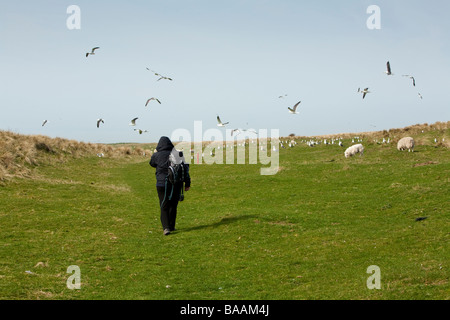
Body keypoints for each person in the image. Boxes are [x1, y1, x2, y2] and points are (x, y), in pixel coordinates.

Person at [150, 136, 191, 235]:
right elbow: (185, 169)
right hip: (176, 183)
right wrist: (187, 183)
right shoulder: (178, 154)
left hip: (161, 183)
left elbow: (152, 164)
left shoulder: (156, 155)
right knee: (173, 205)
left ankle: (166, 228)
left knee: (164, 205)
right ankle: (172, 226)